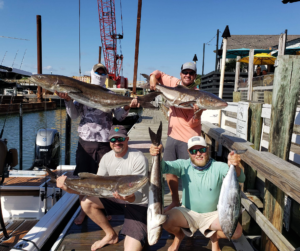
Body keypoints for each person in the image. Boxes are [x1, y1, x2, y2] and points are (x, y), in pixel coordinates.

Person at [56, 63, 139, 225]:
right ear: (92, 73)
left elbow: (120, 117)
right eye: (98, 71)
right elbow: (73, 115)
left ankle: (102, 208)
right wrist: (68, 101)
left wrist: (128, 106)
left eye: (103, 72)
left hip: (104, 142)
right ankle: (82, 210)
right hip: (85, 142)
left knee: (103, 179)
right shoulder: (82, 90)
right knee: (83, 178)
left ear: (106, 75)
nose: (100, 74)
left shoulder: (110, 94)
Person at [57, 125, 149, 251]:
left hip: (136, 204)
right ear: (109, 142)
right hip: (115, 196)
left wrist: (131, 197)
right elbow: (96, 186)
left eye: (120, 139)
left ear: (127, 139)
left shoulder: (138, 158)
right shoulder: (106, 158)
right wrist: (68, 188)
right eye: (113, 140)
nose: (117, 143)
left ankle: (141, 229)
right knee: (86, 202)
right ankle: (110, 235)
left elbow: (141, 195)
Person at [149, 136, 245, 251]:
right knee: (165, 221)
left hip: (212, 215)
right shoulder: (183, 165)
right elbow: (163, 167)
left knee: (236, 232)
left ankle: (215, 238)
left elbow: (241, 178)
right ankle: (179, 236)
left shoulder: (218, 167)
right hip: (188, 213)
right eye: (194, 151)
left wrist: (234, 166)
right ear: (188, 152)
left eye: (202, 150)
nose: (198, 154)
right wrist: (156, 155)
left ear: (207, 149)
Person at [149, 62, 204, 212]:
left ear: (195, 76)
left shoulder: (198, 94)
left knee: (189, 174)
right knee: (170, 171)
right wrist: (153, 78)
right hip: (172, 136)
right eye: (185, 72)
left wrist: (198, 112)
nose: (187, 75)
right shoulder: (173, 82)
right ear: (181, 74)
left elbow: (193, 124)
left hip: (189, 139)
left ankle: (189, 204)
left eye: (191, 73)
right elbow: (158, 72)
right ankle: (174, 201)